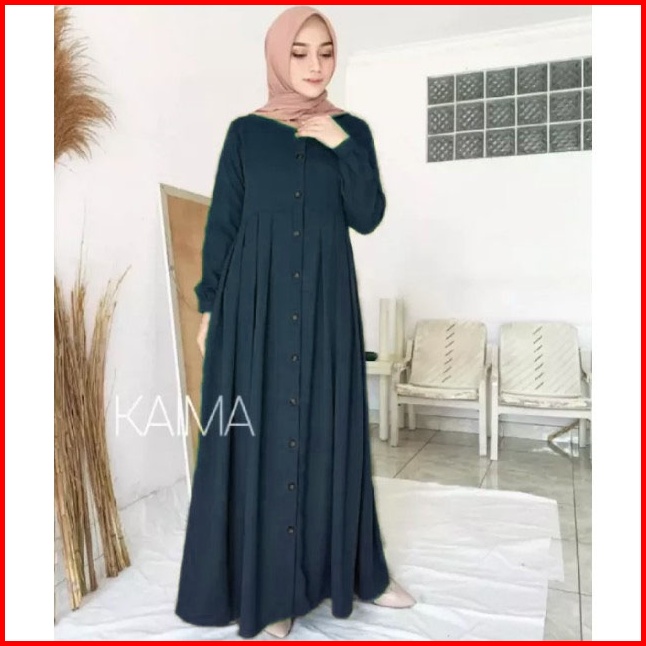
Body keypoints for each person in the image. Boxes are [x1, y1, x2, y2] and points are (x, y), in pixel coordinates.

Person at [175, 6, 415, 640]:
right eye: (300, 52)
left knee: (331, 432)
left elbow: (367, 216)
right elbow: (223, 223)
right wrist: (209, 306)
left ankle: (362, 573)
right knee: (265, 432)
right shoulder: (245, 134)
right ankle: (273, 591)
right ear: (278, 56)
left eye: (325, 52)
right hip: (255, 307)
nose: (314, 65)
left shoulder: (351, 130)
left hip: (327, 307)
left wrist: (342, 146)